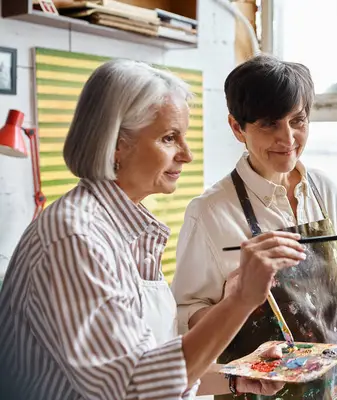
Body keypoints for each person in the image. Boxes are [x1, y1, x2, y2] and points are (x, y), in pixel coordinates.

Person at [0, 59, 307, 400]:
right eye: (168, 138)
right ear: (116, 143)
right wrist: (239, 300)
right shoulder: (75, 239)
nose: (187, 155)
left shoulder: (124, 228)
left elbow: (154, 366)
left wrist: (236, 377)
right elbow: (133, 389)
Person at [171, 54, 337, 400]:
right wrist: (238, 302)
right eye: (269, 124)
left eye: (298, 120)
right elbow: (185, 313)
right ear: (238, 128)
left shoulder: (324, 189)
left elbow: (336, 284)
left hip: (335, 386)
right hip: (257, 389)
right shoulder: (208, 212)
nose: (288, 138)